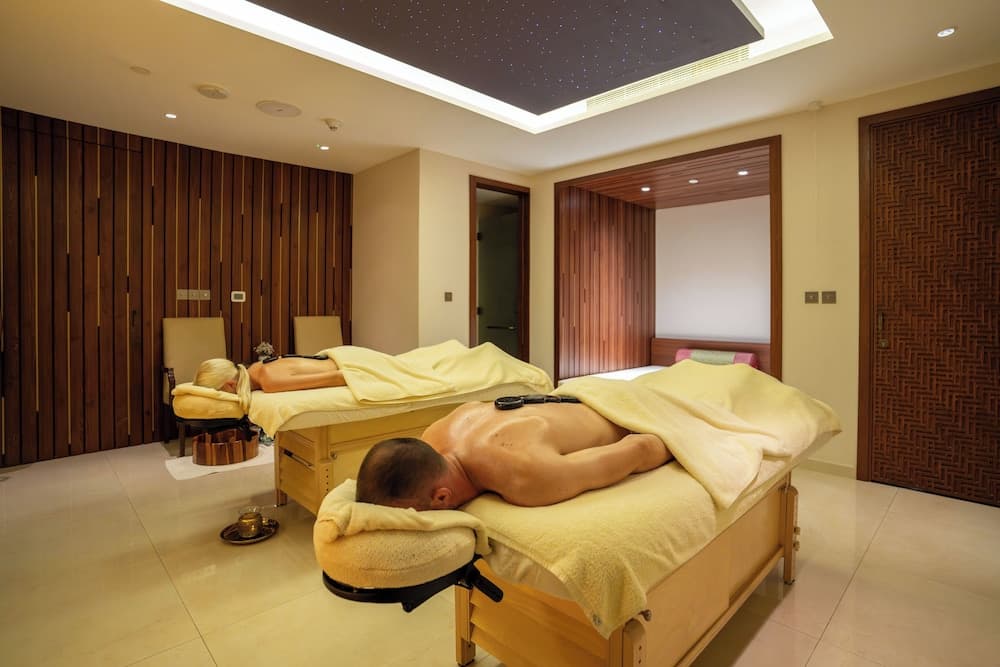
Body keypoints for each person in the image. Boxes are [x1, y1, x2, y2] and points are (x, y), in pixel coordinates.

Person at [355, 400, 672, 509]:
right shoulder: (435, 434)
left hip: (619, 407)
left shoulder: (525, 475)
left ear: (441, 498)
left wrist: (682, 437)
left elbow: (641, 448)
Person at [193, 356, 346, 411]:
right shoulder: (255, 369)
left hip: (346, 363)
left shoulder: (269, 381)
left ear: (230, 385)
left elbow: (337, 378)